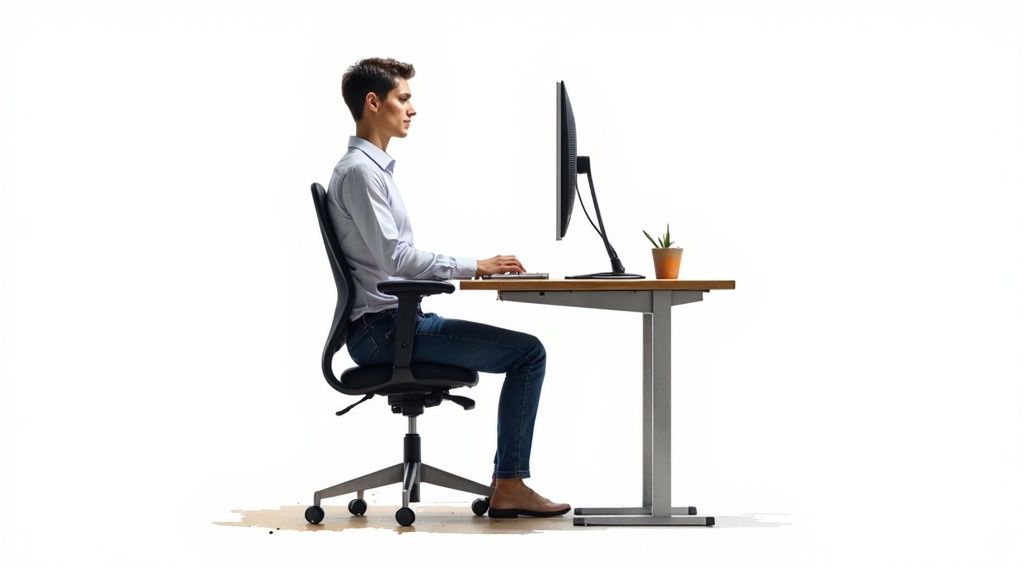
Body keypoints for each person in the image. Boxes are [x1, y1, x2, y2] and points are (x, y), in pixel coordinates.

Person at [326, 57, 569, 518]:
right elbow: (396, 260)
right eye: (404, 98)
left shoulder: (372, 171)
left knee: (525, 352)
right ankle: (510, 484)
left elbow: (394, 259)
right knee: (528, 354)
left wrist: (473, 269)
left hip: (394, 324)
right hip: (382, 333)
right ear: (373, 103)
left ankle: (509, 482)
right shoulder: (360, 172)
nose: (412, 109)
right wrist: (476, 266)